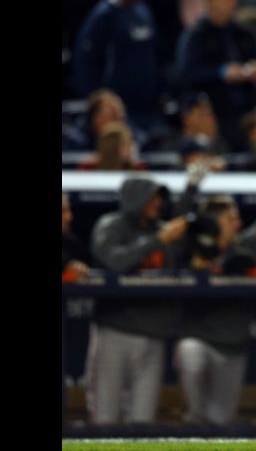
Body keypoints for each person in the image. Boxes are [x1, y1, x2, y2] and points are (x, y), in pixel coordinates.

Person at [176, 171, 256, 425]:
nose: (237, 223)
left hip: (233, 347)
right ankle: (192, 415)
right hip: (200, 339)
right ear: (213, 222)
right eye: (230, 218)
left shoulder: (245, 247)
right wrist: (191, 188)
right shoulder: (193, 247)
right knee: (190, 353)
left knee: (221, 421)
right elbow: (177, 221)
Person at [85, 166, 207, 424]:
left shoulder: (163, 230)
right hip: (115, 331)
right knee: (105, 416)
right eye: (152, 197)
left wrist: (190, 191)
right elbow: (115, 262)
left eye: (159, 198)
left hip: (154, 333)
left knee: (143, 419)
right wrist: (157, 240)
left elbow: (182, 242)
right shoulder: (112, 226)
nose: (157, 203)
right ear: (135, 198)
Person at [72, 0, 163, 146]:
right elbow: (85, 64)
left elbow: (154, 57)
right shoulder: (104, 15)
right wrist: (99, 102)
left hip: (146, 108)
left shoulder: (144, 12)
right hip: (117, 111)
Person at [175, 0, 256, 151]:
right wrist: (221, 72)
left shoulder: (244, 33)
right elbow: (186, 73)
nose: (232, 3)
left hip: (247, 110)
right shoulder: (196, 35)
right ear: (209, 0)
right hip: (213, 110)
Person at [62, 193, 91, 282]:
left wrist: (78, 268)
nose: (69, 217)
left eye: (68, 210)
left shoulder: (72, 243)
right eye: (62, 211)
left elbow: (88, 268)